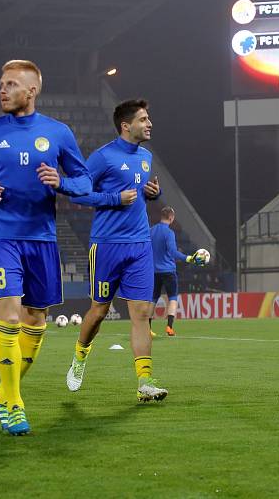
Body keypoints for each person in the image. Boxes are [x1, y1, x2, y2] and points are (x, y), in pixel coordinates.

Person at [0, 59, 91, 435]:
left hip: (43, 238)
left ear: (31, 91)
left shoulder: (58, 132)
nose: (2, 90)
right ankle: (15, 406)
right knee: (11, 318)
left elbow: (84, 181)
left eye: (11, 84)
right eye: (1, 83)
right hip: (2, 235)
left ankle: (3, 394)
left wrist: (61, 183)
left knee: (36, 322)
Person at [65, 98, 169, 402]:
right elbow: (77, 193)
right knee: (99, 312)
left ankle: (144, 381)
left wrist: (154, 193)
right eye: (143, 119)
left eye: (149, 119)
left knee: (142, 313)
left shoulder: (147, 157)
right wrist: (112, 198)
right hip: (107, 246)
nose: (149, 124)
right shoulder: (102, 157)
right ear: (126, 126)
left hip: (139, 246)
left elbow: (139, 191)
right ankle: (80, 356)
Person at [149, 205, 206, 336]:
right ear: (171, 217)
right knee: (173, 298)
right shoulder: (169, 233)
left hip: (154, 271)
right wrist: (190, 258)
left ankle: (147, 328)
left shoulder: (151, 231)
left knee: (153, 299)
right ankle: (169, 327)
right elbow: (173, 252)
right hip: (168, 271)